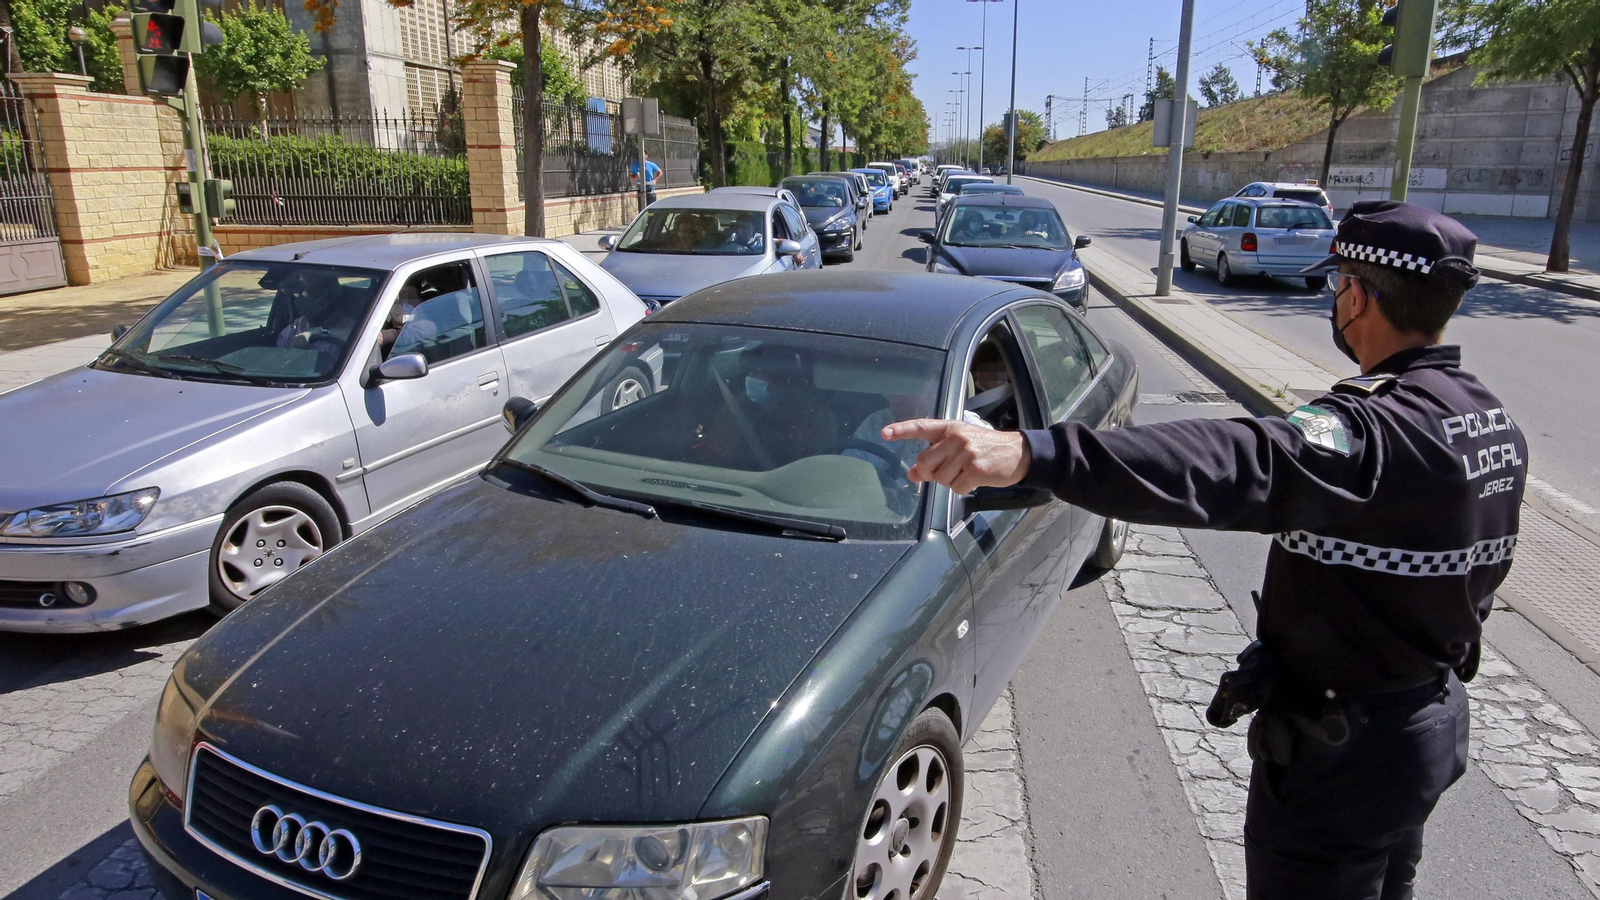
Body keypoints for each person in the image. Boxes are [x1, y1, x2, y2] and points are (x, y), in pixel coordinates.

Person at [883, 200, 1522, 900]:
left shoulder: (1372, 434)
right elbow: (1470, 582)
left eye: (1338, 285)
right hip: (1421, 731)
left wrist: (1029, 452)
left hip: (1343, 758)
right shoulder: (1488, 421)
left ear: (1358, 294)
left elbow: (1232, 456)